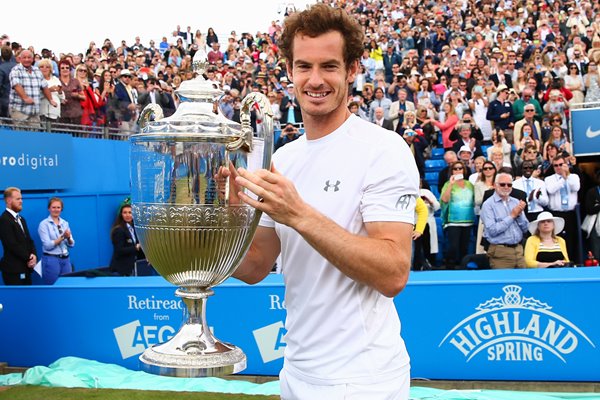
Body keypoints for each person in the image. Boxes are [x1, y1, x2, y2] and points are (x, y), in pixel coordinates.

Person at [224, 5, 419, 398]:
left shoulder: (383, 149)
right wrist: (229, 217)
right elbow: (254, 267)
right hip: (296, 371)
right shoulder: (284, 159)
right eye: (304, 67)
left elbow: (393, 273)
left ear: (351, 70)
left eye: (329, 66)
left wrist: (299, 214)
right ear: (290, 71)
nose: (315, 80)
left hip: (364, 379)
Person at [480, 172, 529, 269]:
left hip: (519, 250)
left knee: (523, 283)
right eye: (502, 184)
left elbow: (526, 228)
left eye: (509, 184)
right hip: (500, 253)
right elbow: (492, 230)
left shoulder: (516, 202)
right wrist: (512, 216)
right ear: (495, 185)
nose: (506, 187)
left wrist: (519, 215)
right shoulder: (488, 205)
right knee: (503, 283)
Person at [544, 154, 581, 264]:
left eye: (561, 164)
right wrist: (562, 180)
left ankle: (572, 261)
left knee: (571, 238)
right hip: (556, 213)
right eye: (556, 166)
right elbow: (551, 190)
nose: (559, 167)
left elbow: (576, 187)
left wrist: (567, 176)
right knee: (557, 239)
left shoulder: (574, 176)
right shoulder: (549, 179)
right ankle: (558, 262)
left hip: (570, 213)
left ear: (566, 164)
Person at [440, 161, 475, 269]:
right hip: (453, 220)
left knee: (464, 247)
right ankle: (449, 267)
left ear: (464, 170)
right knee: (453, 247)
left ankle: (463, 268)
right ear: (452, 171)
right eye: (455, 169)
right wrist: (451, 184)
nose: (458, 170)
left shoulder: (470, 184)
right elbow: (444, 200)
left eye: (460, 168)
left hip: (468, 220)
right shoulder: (447, 184)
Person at [8, 49, 56, 128]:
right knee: (21, 137)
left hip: (34, 111)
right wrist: (25, 98)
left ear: (32, 59)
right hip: (19, 110)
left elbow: (44, 86)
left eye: (29, 57)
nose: (27, 59)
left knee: (35, 137)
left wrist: (51, 99)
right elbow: (16, 85)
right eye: (24, 57)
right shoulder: (15, 70)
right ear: (20, 59)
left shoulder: (37, 70)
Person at [0, 187, 37, 285]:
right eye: (18, 199)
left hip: (26, 268)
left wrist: (34, 256)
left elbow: (29, 240)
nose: (21, 201)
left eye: (21, 198)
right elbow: (12, 245)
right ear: (8, 200)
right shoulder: (4, 220)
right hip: (13, 271)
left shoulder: (22, 219)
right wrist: (29, 258)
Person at [37, 197, 74, 284]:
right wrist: (62, 237)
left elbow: (72, 244)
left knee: (67, 285)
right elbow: (47, 245)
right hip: (51, 259)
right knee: (52, 286)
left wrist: (68, 238)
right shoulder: (43, 224)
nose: (56, 210)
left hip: (66, 259)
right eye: (53, 207)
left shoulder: (65, 223)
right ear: (49, 208)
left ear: (61, 209)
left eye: (58, 207)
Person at [109, 203, 145, 276]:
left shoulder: (134, 228)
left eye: (130, 212)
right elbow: (119, 250)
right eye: (125, 212)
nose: (128, 215)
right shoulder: (118, 230)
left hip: (133, 267)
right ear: (121, 215)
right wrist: (135, 247)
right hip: (121, 269)